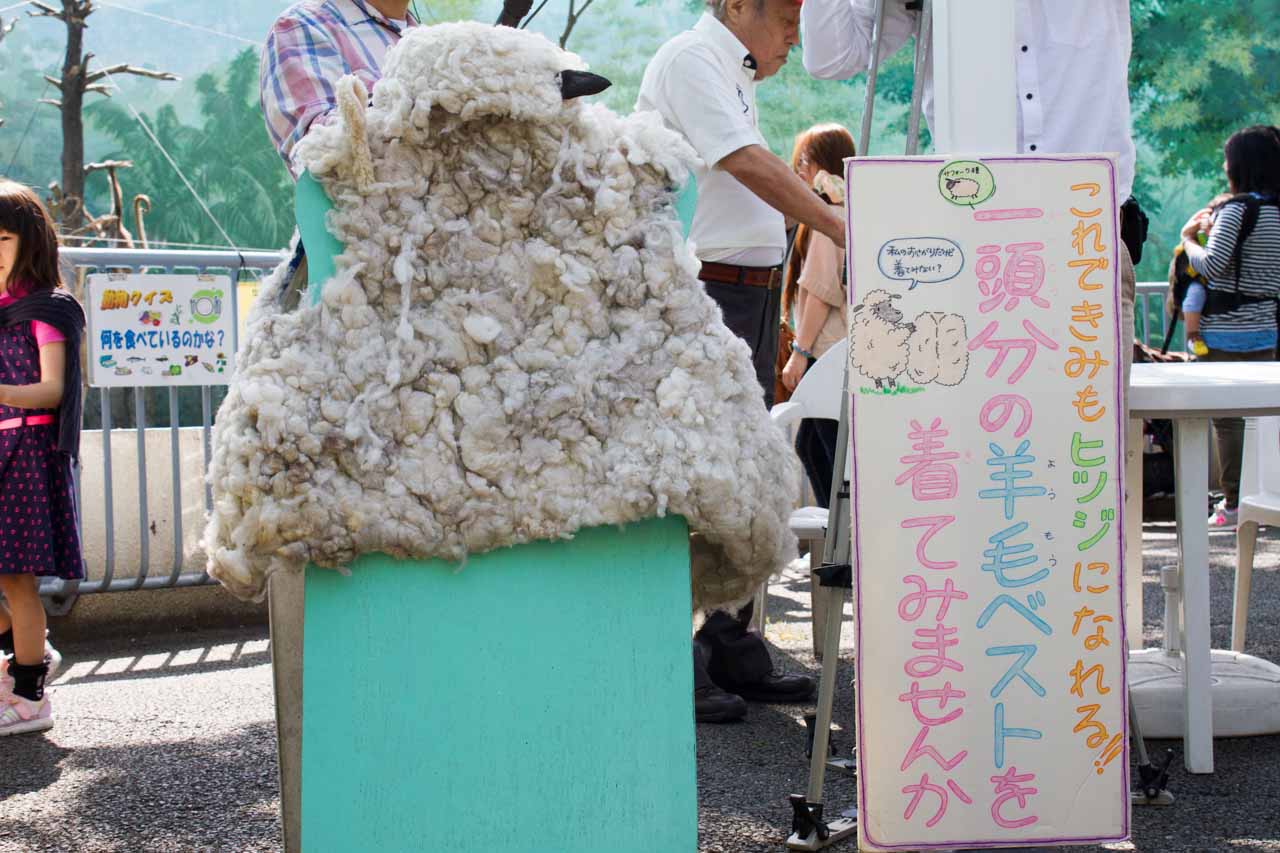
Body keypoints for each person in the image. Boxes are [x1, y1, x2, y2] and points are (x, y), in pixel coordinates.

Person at [638, 0, 846, 723]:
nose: (796, 32)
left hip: (747, 295)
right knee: (693, 474)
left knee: (749, 473)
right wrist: (837, 223)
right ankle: (671, 654)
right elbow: (747, 164)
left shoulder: (736, 73)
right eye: (787, 15)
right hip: (706, 289)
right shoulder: (691, 60)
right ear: (735, 6)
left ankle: (733, 642)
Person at [801, 0, 1142, 382]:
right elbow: (831, 57)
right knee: (980, 429)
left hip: (1083, 235)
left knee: (1087, 426)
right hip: (972, 244)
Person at [0, 180, 87, 736]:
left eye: (2, 239)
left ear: (29, 241)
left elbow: (52, 390)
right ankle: (26, 652)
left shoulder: (45, 309)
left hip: (26, 454)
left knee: (16, 579)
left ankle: (30, 696)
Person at [1178, 126, 1280, 528]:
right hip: (1268, 331)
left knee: (1227, 421)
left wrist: (1189, 239)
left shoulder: (1236, 210)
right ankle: (1266, 497)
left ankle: (1235, 503)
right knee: (1266, 419)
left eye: (1227, 160)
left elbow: (1211, 265)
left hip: (1223, 334)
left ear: (1240, 165)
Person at [780, 123, 856, 510]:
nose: (799, 170)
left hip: (826, 349)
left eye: (804, 161)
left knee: (825, 448)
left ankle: (841, 545)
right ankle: (839, 541)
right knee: (819, 444)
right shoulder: (844, 211)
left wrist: (800, 350)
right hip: (834, 348)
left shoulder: (830, 216)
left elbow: (820, 290)